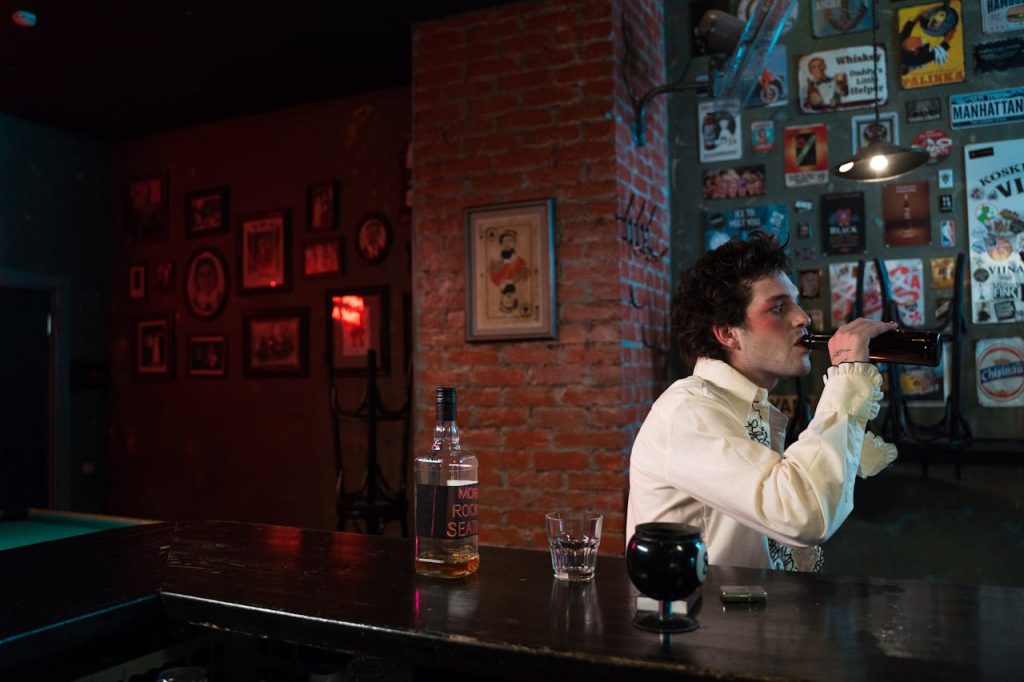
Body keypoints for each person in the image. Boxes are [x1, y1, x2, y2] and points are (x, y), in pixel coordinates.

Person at [626, 232, 898, 571]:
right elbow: (805, 514)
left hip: (748, 617)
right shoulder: (688, 412)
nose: (803, 318)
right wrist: (847, 379)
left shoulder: (746, 407)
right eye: (779, 307)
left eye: (796, 303)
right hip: (696, 621)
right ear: (727, 333)